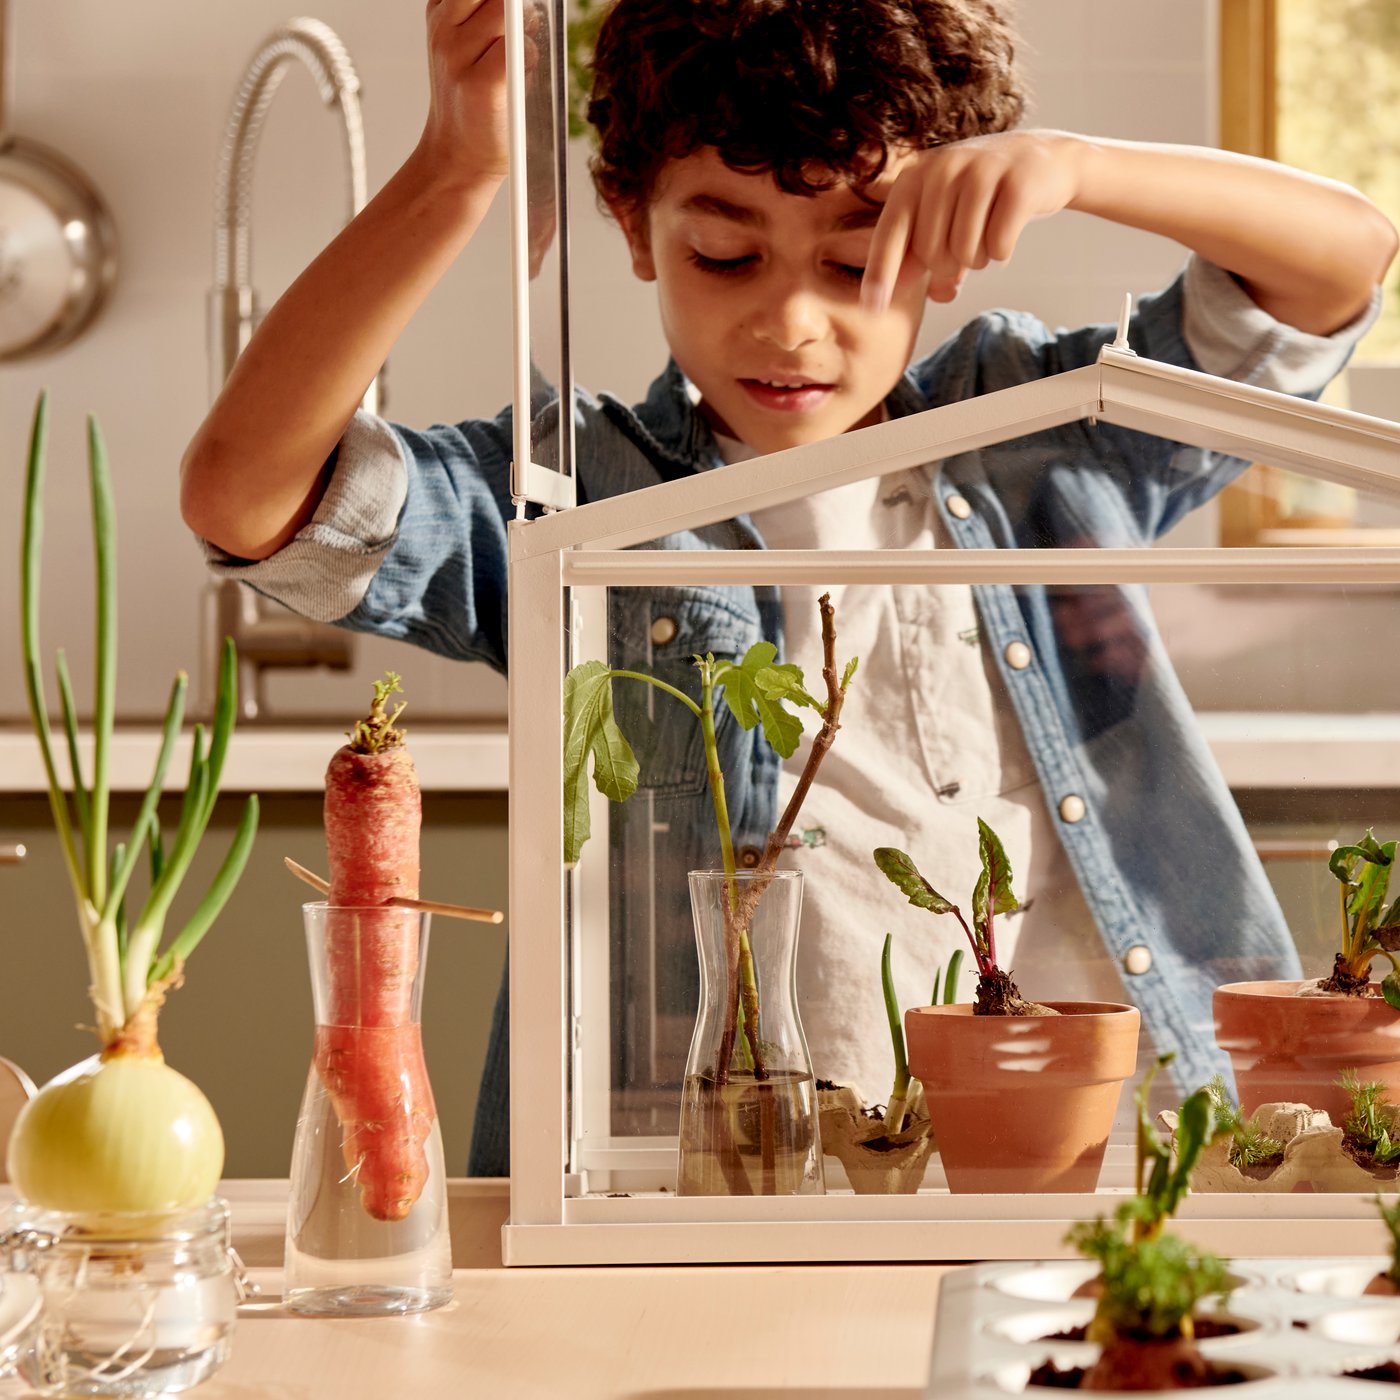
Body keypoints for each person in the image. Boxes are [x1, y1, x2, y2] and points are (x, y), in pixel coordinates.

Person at [181, 0, 1397, 1176]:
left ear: (941, 242)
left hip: (1119, 1151)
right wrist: (455, 170)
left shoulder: (1039, 428)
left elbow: (1337, 267)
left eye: (857, 256)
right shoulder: (578, 495)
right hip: (722, 1183)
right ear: (630, 217)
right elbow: (246, 493)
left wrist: (1077, 167)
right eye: (723, 252)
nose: (792, 322)